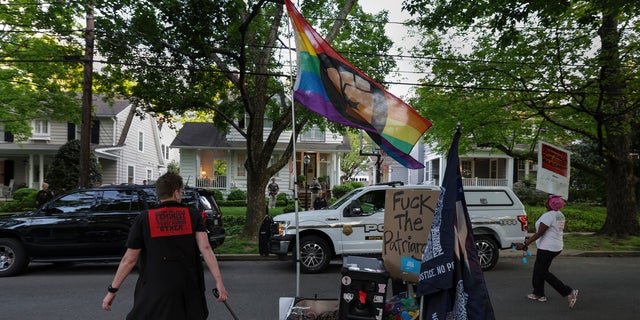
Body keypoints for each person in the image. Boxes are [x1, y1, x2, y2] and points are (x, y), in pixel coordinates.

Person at [102, 172, 228, 319]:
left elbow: (129, 259)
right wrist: (219, 282)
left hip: (154, 289)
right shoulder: (193, 215)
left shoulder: (144, 219)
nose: (181, 195)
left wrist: (112, 290)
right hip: (187, 287)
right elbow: (206, 249)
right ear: (175, 193)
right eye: (181, 192)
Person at [515, 195, 578, 309]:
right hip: (555, 246)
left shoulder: (549, 215)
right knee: (539, 269)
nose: (545, 202)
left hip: (547, 248)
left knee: (542, 272)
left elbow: (540, 233)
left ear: (551, 204)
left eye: (548, 201)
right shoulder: (559, 214)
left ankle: (568, 291)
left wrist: (525, 244)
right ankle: (538, 293)